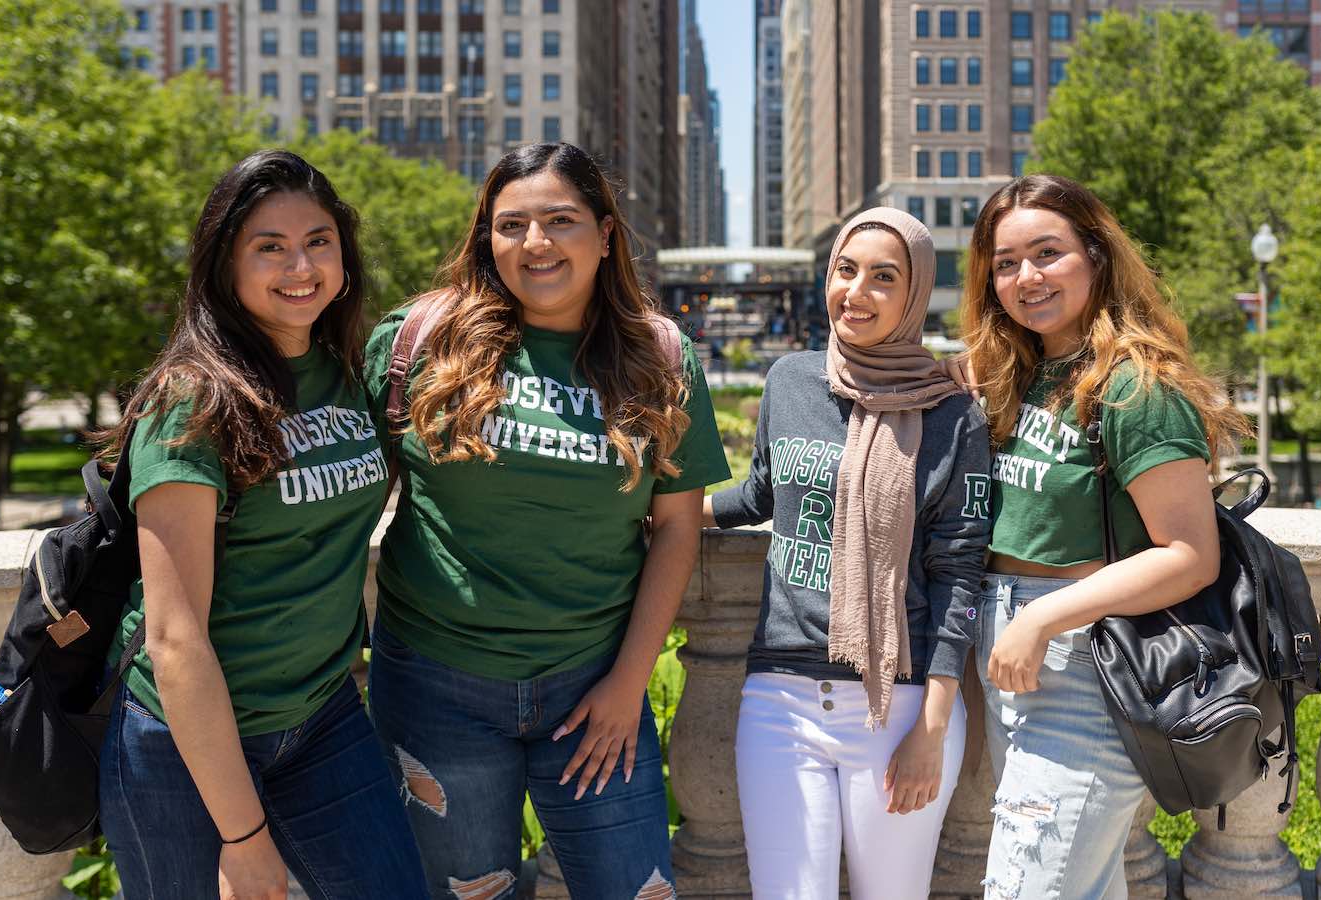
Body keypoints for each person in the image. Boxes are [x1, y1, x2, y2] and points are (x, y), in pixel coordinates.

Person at [363, 142, 729, 900]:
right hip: (436, 687)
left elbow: (679, 531)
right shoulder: (420, 343)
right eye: (511, 225)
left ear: (604, 235)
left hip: (595, 685)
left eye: (560, 220)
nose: (535, 243)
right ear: (486, 239)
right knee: (470, 893)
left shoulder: (661, 359)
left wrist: (630, 683)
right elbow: (338, 488)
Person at [96, 150, 426, 899]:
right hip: (185, 744)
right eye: (269, 247)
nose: (299, 265)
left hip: (322, 716)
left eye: (318, 241)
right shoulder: (193, 400)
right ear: (225, 264)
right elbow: (174, 639)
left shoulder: (344, 372)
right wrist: (244, 840)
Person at [959, 174, 1248, 899]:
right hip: (1018, 665)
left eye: (1048, 253)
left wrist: (1043, 616)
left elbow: (1190, 555)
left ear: (1095, 254)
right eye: (1005, 262)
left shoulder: (1134, 385)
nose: (1027, 277)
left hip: (1087, 667)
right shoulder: (1020, 374)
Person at [704, 207, 991, 899]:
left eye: (883, 277)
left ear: (915, 291)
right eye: (845, 270)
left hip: (896, 707)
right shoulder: (791, 380)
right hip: (779, 698)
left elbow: (959, 573)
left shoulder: (953, 415)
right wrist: (665, 515)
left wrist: (932, 724)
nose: (855, 291)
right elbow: (765, 493)